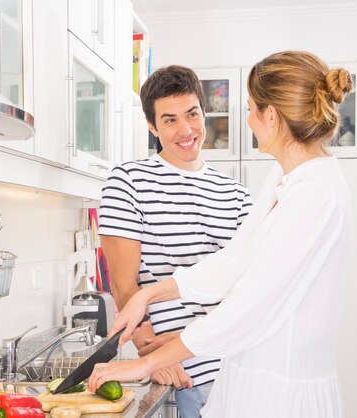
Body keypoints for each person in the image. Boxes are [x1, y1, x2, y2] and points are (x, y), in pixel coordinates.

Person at [89, 50, 354, 418]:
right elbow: (234, 262)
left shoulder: (315, 195)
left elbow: (249, 307)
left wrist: (145, 365)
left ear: (271, 115)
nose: (247, 120)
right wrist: (150, 294)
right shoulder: (283, 182)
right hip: (243, 375)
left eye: (250, 108)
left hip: (281, 392)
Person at [98, 65, 252, 417]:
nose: (186, 130)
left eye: (192, 114)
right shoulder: (127, 181)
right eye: (169, 120)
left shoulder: (237, 194)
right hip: (189, 374)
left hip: (239, 363)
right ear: (152, 126)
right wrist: (148, 352)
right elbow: (123, 283)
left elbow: (249, 283)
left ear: (203, 112)